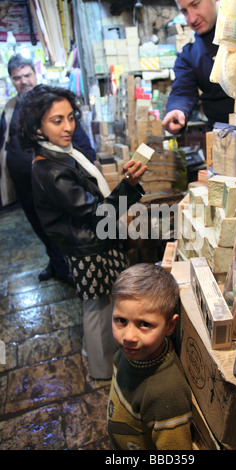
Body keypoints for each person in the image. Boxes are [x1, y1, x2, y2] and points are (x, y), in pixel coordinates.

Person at [17, 84, 148, 380]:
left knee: (103, 303)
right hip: (89, 247)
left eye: (71, 117)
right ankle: (102, 369)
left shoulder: (62, 154)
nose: (69, 127)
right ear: (37, 128)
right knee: (98, 308)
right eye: (57, 120)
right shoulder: (50, 169)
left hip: (93, 241)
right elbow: (97, 213)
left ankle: (98, 354)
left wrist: (124, 185)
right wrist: (128, 187)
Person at [0, 54, 96, 284]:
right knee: (41, 225)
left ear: (35, 74)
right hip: (24, 183)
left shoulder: (53, 106)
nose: (23, 81)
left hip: (55, 182)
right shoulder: (10, 108)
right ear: (11, 81)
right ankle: (56, 264)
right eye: (17, 78)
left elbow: (81, 145)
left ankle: (68, 267)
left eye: (27, 75)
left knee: (62, 225)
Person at [107, 263, 192, 450]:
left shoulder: (166, 393)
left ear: (170, 326)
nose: (128, 337)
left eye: (144, 324)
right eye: (121, 320)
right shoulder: (128, 354)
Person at [162, 0, 234, 134]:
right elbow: (183, 91)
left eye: (195, 4)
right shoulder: (189, 54)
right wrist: (177, 110)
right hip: (224, 136)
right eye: (184, 11)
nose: (192, 18)